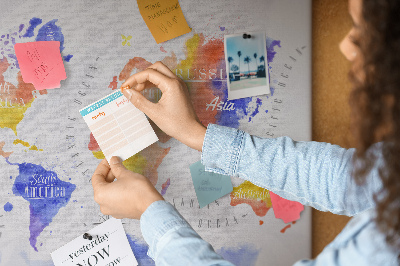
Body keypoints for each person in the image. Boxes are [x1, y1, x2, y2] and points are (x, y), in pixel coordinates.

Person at [91, 0, 400, 264]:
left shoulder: (385, 247)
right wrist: (195, 134)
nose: (346, 46)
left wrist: (149, 211)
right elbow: (344, 178)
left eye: (364, 31)